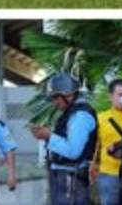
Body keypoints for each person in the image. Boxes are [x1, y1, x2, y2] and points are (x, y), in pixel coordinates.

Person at [30, 73, 97, 205]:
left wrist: (49, 136)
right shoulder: (70, 113)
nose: (54, 102)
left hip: (72, 180)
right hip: (65, 178)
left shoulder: (81, 116)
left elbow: (73, 151)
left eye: (56, 97)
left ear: (68, 94)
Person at [91, 79, 122, 205]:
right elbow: (94, 146)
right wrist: (92, 167)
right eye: (120, 95)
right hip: (109, 173)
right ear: (110, 97)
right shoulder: (101, 118)